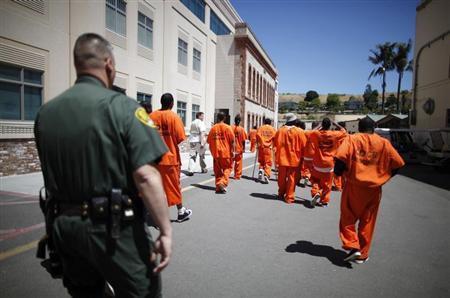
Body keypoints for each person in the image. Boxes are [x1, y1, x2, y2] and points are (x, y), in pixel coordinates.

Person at [34, 33, 172, 297]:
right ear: (109, 64)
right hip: (113, 229)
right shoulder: (122, 107)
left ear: (78, 64)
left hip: (64, 228)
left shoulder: (45, 113)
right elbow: (146, 176)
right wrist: (165, 230)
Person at [334, 118, 405, 264]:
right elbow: (398, 163)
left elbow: (340, 159)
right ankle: (363, 255)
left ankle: (353, 245)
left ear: (359, 127)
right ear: (374, 128)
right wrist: (385, 176)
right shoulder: (383, 143)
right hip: (374, 189)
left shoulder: (352, 139)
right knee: (368, 221)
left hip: (354, 186)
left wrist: (338, 173)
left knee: (348, 217)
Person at [150, 93, 192, 222]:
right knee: (173, 186)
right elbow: (180, 139)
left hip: (154, 158)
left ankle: (154, 212)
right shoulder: (174, 117)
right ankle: (180, 211)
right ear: (172, 103)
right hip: (169, 159)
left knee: (155, 187)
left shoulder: (151, 116)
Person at [307, 117, 347, 207]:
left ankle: (316, 191)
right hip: (329, 164)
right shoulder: (334, 134)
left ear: (322, 125)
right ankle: (324, 201)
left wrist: (319, 126)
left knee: (315, 180)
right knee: (327, 184)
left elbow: (309, 133)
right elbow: (344, 131)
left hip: (317, 163)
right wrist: (336, 124)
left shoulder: (317, 134)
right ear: (330, 125)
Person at [274, 113, 307, 203]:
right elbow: (304, 145)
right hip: (294, 159)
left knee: (281, 178)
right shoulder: (300, 131)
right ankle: (289, 197)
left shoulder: (280, 131)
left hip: (282, 158)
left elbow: (275, 144)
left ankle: (281, 193)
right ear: (295, 121)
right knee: (292, 178)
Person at [207, 112, 235, 193]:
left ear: (218, 118)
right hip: (226, 153)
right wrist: (233, 151)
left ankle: (219, 187)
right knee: (228, 168)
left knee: (218, 171)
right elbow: (232, 141)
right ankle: (222, 183)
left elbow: (209, 141)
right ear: (224, 118)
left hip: (216, 153)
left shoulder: (213, 128)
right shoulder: (228, 128)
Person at [186, 112, 207, 176]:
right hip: (198, 141)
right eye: (202, 116)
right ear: (199, 116)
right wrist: (202, 143)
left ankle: (190, 170)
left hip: (192, 140)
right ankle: (203, 168)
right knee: (201, 155)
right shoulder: (201, 123)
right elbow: (202, 133)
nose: (203, 117)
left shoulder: (192, 122)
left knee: (192, 156)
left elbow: (190, 132)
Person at [256, 118, 277, 184]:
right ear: (270, 123)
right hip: (268, 148)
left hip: (261, 147)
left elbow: (257, 136)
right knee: (268, 163)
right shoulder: (272, 129)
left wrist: (258, 143)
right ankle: (266, 175)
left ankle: (260, 170)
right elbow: (275, 138)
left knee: (261, 161)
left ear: (264, 122)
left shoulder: (260, 128)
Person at [231, 114, 248, 180]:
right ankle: (237, 176)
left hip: (231, 148)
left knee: (230, 163)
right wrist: (243, 148)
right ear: (240, 121)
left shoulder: (230, 128)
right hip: (239, 149)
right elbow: (243, 140)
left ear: (234, 120)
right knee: (238, 163)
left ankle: (226, 174)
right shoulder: (242, 129)